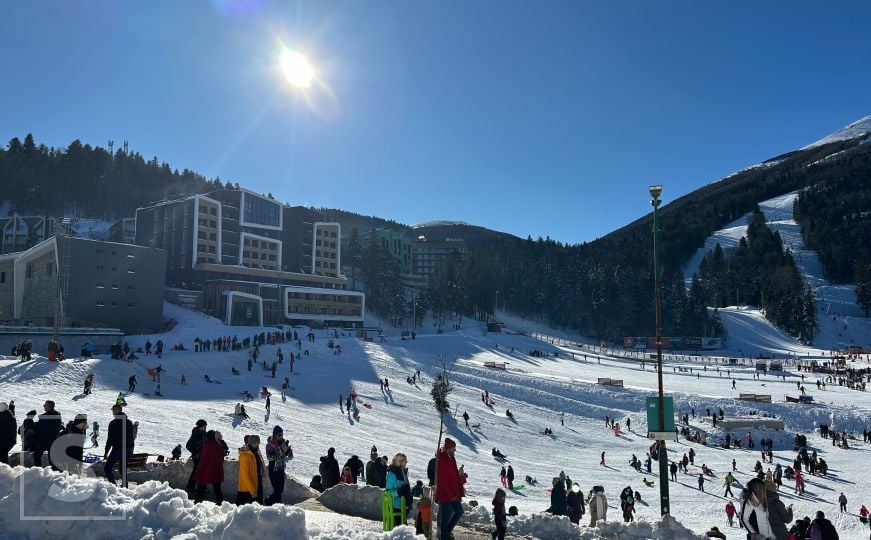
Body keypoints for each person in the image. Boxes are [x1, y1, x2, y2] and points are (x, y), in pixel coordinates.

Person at [436, 438, 465, 540]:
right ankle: (444, 536)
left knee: (459, 511)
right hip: (445, 495)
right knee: (445, 518)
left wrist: (461, 481)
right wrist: (450, 494)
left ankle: (447, 532)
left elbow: (455, 476)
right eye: (454, 448)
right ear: (448, 448)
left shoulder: (452, 459)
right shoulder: (443, 460)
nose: (455, 450)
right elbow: (443, 481)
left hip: (453, 493)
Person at [104, 404, 134, 487]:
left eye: (113, 410)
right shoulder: (129, 422)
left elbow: (110, 439)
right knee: (122, 469)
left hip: (117, 449)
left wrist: (106, 452)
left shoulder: (113, 423)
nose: (112, 412)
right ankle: (125, 485)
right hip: (127, 449)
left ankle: (113, 485)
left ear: (118, 410)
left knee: (107, 468)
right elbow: (131, 437)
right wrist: (131, 449)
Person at [194, 430, 225, 505]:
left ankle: (197, 505)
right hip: (217, 470)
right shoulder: (219, 444)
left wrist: (197, 474)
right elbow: (222, 458)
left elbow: (203, 461)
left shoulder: (207, 446)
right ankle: (220, 505)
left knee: (201, 488)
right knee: (217, 490)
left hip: (206, 471)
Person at [265, 425, 293, 505]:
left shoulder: (283, 443)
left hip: (280, 468)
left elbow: (290, 457)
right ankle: (272, 503)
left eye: (282, 435)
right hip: (273, 468)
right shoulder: (270, 444)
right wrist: (276, 454)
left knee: (280, 489)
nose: (281, 437)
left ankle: (272, 503)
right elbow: (269, 457)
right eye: (279, 435)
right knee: (277, 489)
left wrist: (288, 451)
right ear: (275, 435)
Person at [385, 453, 411, 528]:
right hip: (395, 507)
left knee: (403, 531)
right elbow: (387, 492)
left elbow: (406, 488)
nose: (406, 463)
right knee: (402, 531)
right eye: (405, 461)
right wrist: (399, 492)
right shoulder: (392, 474)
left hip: (403, 506)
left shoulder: (403, 472)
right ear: (400, 461)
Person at [35, 400, 63, 468]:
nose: (43, 406)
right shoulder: (57, 414)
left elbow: (40, 428)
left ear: (49, 407)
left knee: (37, 456)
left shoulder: (45, 417)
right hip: (54, 440)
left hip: (45, 441)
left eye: (45, 405)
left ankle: (38, 472)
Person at [236, 435, 264, 505]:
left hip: (255, 486)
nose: (258, 445)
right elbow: (244, 474)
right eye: (258, 443)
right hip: (246, 490)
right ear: (255, 443)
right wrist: (252, 490)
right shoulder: (245, 455)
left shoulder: (254, 453)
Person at [185, 419, 208, 494]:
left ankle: (199, 487)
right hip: (198, 457)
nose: (205, 427)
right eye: (204, 426)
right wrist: (196, 453)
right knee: (196, 472)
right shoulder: (197, 433)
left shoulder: (203, 433)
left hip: (202, 456)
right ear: (201, 426)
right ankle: (191, 487)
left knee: (200, 472)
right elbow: (188, 445)